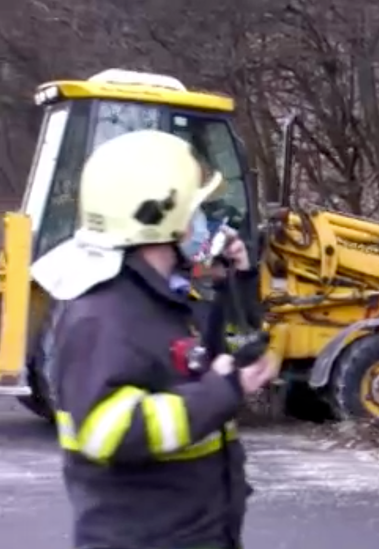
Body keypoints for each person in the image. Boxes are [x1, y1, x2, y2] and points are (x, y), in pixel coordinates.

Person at [30, 129, 277, 549]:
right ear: (162, 216)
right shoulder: (104, 312)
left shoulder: (161, 296)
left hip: (194, 532)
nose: (201, 224)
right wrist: (220, 392)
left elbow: (213, 358)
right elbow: (106, 430)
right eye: (195, 210)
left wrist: (236, 281)